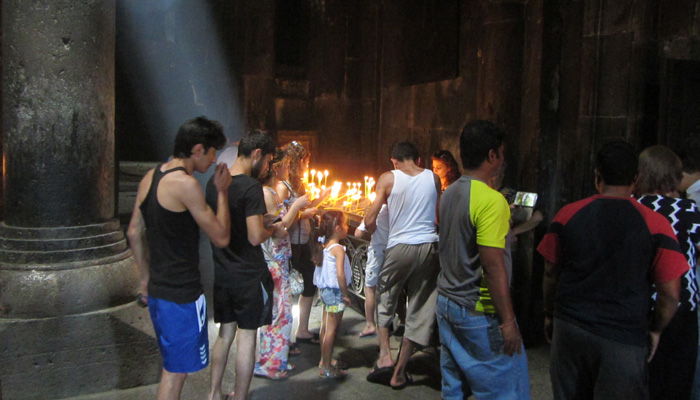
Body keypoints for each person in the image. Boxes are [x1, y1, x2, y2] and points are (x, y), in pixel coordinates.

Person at [537, 140, 688, 400]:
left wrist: (550, 313)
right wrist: (655, 329)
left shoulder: (568, 214)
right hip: (623, 335)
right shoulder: (656, 224)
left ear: (597, 175)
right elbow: (671, 293)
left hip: (571, 326)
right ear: (636, 179)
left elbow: (551, 272)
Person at [126, 116, 231, 400]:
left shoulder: (151, 176)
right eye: (212, 153)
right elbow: (221, 237)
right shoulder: (186, 185)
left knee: (172, 367)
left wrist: (145, 279)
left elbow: (134, 231)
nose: (214, 160)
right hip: (181, 293)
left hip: (159, 289)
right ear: (198, 149)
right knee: (176, 372)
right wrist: (222, 192)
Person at [437, 120, 528, 399]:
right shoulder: (491, 201)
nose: (503, 159)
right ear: (492, 155)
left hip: (447, 301)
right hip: (479, 310)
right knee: (505, 389)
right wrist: (508, 322)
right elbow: (492, 265)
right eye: (502, 153)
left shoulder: (450, 192)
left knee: (454, 388)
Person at [205, 130, 280, 400]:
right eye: (268, 161)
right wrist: (271, 228)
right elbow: (254, 236)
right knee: (247, 337)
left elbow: (229, 224)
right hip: (248, 276)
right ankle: (239, 397)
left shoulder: (214, 184)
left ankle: (214, 394)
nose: (268, 168)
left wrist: (260, 222)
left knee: (225, 334)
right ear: (257, 154)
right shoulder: (250, 187)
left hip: (223, 273)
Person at [364, 141, 441, 390]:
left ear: (394, 161)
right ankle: (400, 372)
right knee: (420, 307)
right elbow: (437, 215)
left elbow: (370, 218)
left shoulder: (388, 178)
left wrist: (375, 234)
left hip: (399, 247)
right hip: (429, 246)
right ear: (418, 160)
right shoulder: (434, 178)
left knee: (385, 298)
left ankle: (385, 356)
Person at [635, 145, 700, 400]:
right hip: (681, 303)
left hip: (638, 302)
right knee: (675, 383)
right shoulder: (686, 210)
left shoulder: (631, 207)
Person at [253, 148, 310, 380]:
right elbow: (278, 229)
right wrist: (296, 207)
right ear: (275, 168)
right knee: (278, 313)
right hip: (273, 260)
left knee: (283, 312)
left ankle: (278, 359)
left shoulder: (272, 194)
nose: (289, 168)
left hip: (281, 259)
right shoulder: (267, 194)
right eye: (286, 164)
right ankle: (269, 365)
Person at [277, 141, 322, 344]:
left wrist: (320, 200)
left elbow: (304, 211)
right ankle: (283, 339)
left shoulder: (299, 184)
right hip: (290, 244)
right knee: (287, 290)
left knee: (309, 284)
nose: (307, 166)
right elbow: (280, 221)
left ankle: (302, 329)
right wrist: (303, 213)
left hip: (303, 241)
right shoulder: (282, 187)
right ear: (297, 162)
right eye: (305, 162)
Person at [312, 210, 353, 379]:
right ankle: (327, 368)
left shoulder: (325, 245)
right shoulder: (338, 249)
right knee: (331, 330)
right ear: (337, 228)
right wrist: (345, 294)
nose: (347, 227)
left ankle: (324, 359)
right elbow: (340, 275)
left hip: (325, 292)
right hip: (335, 293)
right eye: (345, 224)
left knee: (325, 327)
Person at [354, 204, 389, 338]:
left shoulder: (377, 209)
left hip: (377, 251)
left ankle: (370, 324)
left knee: (370, 288)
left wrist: (365, 218)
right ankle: (398, 321)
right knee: (392, 287)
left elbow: (358, 233)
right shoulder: (396, 206)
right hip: (394, 250)